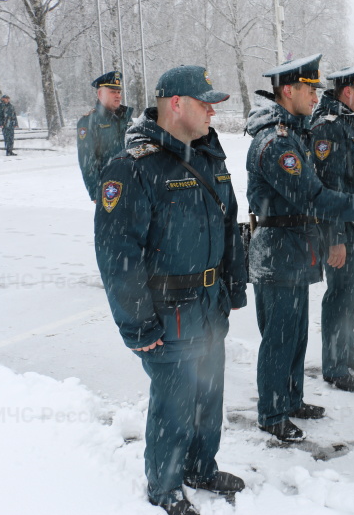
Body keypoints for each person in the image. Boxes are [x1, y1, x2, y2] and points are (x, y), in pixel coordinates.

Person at [94, 65, 247, 515]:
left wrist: (232, 289)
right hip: (168, 312)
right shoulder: (134, 167)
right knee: (174, 407)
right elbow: (117, 256)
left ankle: (201, 467)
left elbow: (228, 225)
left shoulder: (208, 158)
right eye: (206, 103)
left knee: (208, 397)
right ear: (176, 104)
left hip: (208, 305)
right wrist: (138, 325)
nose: (212, 112)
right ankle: (164, 487)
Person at [246, 54, 354, 443]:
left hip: (295, 249)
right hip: (278, 250)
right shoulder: (276, 143)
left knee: (296, 333)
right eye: (309, 88)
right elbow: (314, 196)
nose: (316, 95)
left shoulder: (293, 134)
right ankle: (272, 413)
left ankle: (292, 399)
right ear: (289, 90)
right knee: (280, 337)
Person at [309, 61, 354, 393]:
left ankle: (350, 352)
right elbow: (329, 187)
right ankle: (335, 365)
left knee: (353, 296)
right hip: (345, 231)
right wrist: (335, 238)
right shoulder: (329, 128)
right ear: (348, 91)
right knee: (340, 297)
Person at [77, 71, 134, 201]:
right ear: (100, 94)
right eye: (112, 92)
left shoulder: (127, 119)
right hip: (110, 190)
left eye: (119, 92)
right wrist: (96, 193)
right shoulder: (89, 122)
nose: (118, 96)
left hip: (133, 186)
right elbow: (87, 161)